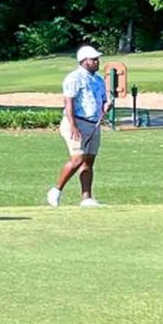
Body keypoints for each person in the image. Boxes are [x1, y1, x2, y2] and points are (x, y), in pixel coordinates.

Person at [47, 45, 110, 208]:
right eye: (93, 59)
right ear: (83, 61)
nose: (97, 62)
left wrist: (106, 106)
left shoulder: (98, 80)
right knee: (78, 158)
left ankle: (86, 197)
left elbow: (102, 99)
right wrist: (73, 125)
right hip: (76, 122)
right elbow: (69, 102)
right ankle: (56, 190)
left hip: (93, 124)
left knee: (89, 160)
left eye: (97, 59)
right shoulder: (74, 78)